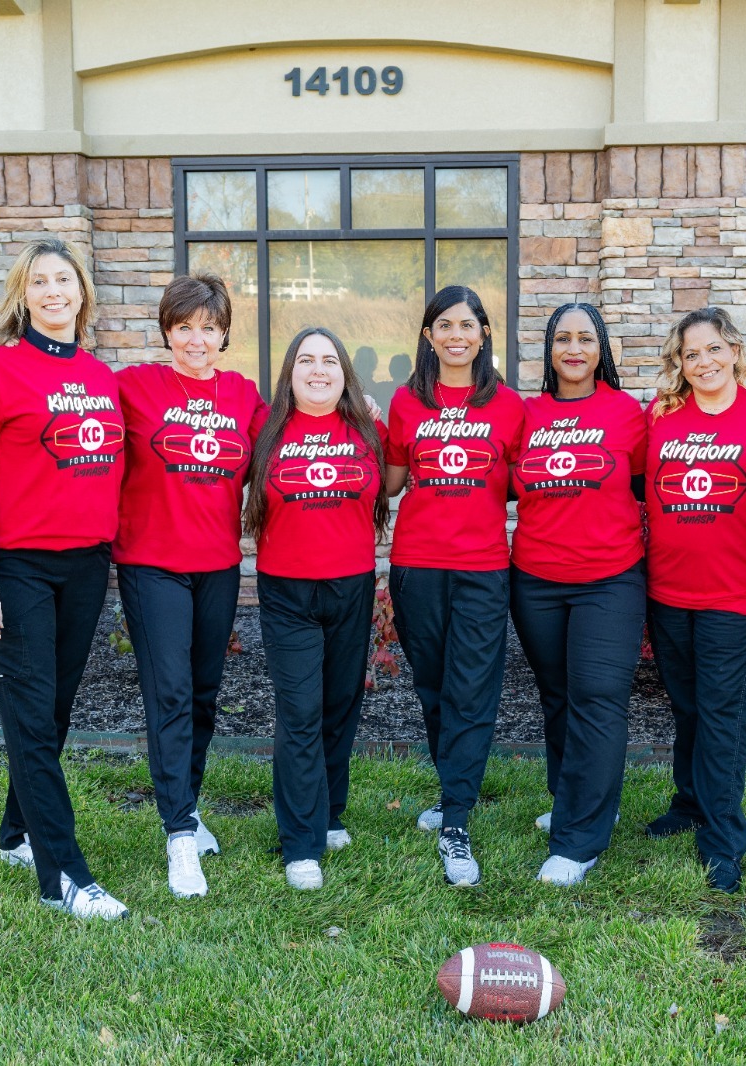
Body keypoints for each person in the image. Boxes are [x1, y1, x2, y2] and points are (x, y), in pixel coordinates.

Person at [0, 237, 129, 920]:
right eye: (40, 282)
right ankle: (66, 880)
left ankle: (15, 833)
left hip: (85, 564)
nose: (55, 292)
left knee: (50, 714)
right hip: (17, 565)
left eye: (65, 280)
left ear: (82, 293)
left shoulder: (101, 375)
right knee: (29, 717)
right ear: (23, 296)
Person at [113, 274, 267, 899]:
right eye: (184, 327)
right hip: (151, 564)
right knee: (171, 693)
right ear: (167, 331)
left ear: (224, 332)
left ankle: (190, 807)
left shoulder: (243, 393)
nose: (196, 339)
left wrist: (358, 408)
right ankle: (178, 837)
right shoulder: (134, 387)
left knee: (204, 694)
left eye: (208, 327)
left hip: (218, 564)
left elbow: (294, 432)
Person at [384, 285, 525, 887]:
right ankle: (451, 791)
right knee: (434, 686)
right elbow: (390, 481)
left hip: (483, 568)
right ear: (428, 336)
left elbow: (526, 483)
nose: (457, 336)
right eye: (445, 326)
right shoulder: (405, 402)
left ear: (483, 335)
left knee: (473, 688)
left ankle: (457, 823)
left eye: (468, 326)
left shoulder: (510, 406)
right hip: (416, 566)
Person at [642, 308, 746, 894]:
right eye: (689, 355)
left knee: (723, 717)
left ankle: (723, 840)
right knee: (688, 707)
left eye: (711, 350)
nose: (702, 362)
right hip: (669, 589)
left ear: (734, 350)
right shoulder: (660, 419)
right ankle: (690, 803)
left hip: (738, 594)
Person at [243, 326, 389, 891]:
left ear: (345, 373)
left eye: (330, 360)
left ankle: (327, 814)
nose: (319, 369)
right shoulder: (264, 427)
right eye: (307, 360)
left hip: (352, 586)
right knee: (300, 711)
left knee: (339, 706)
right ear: (290, 373)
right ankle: (299, 843)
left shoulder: (368, 428)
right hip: (286, 591)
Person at [510, 302, 647, 887]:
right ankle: (576, 800)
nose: (573, 348)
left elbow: (646, 486)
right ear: (549, 350)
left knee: (596, 697)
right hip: (536, 578)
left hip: (609, 578)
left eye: (585, 338)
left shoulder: (628, 414)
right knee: (559, 697)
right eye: (562, 338)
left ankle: (579, 841)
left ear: (602, 349)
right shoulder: (526, 413)